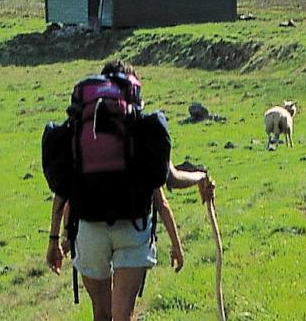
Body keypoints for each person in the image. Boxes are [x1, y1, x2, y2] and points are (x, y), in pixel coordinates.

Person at [43, 61, 215, 321]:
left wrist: (54, 240)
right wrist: (201, 176)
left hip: (90, 230)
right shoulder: (138, 125)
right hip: (133, 228)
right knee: (123, 316)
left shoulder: (82, 125)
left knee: (101, 314)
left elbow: (62, 191)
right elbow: (169, 182)